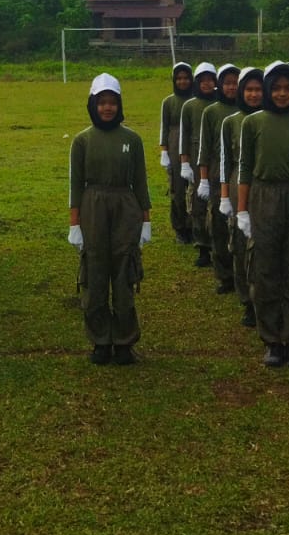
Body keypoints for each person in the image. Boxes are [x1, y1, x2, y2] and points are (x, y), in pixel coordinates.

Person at [236, 62, 289, 368]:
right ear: (268, 90)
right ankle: (272, 340)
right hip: (263, 195)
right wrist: (242, 210)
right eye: (277, 88)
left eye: (287, 88)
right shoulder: (253, 123)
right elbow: (245, 169)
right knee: (265, 268)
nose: (282, 94)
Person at [68, 74, 153, 365]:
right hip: (93, 207)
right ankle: (100, 341)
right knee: (95, 273)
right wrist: (75, 224)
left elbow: (140, 182)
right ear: (93, 105)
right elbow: (75, 185)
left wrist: (145, 220)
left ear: (119, 105)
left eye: (112, 102)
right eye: (102, 102)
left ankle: (125, 342)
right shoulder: (82, 141)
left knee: (124, 272)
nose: (107, 108)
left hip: (125, 207)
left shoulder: (132, 139)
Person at [219, 66, 264, 328]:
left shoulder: (271, 119)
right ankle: (247, 300)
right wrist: (225, 195)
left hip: (266, 185)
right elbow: (225, 160)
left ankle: (266, 298)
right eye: (249, 89)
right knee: (240, 242)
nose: (254, 94)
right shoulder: (230, 122)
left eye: (258, 89)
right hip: (238, 184)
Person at [195, 64, 241, 295]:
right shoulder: (211, 112)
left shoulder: (249, 110)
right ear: (220, 85)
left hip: (240, 174)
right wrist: (203, 179)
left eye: (236, 83)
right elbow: (204, 148)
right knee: (220, 225)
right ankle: (225, 275)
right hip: (217, 172)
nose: (232, 87)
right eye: (228, 83)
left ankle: (243, 273)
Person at [178, 62, 219, 268]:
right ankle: (202, 246)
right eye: (203, 80)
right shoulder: (189, 106)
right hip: (195, 157)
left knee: (217, 202)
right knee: (197, 203)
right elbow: (184, 136)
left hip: (217, 157)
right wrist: (184, 162)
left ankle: (218, 244)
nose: (207, 84)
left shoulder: (221, 103)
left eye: (210, 80)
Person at [158, 62, 195, 243]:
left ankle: (195, 226)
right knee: (178, 189)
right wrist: (164, 151)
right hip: (174, 145)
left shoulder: (196, 100)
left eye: (186, 78)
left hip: (194, 145)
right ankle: (180, 227)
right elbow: (164, 127)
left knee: (195, 188)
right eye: (179, 78)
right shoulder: (168, 102)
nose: (182, 81)